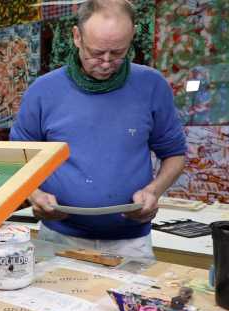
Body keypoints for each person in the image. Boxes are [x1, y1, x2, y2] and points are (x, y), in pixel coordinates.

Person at [10, 0, 186, 259]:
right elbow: (17, 158)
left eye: (117, 53)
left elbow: (175, 154)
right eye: (96, 52)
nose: (106, 62)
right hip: (59, 237)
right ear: (77, 37)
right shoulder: (43, 91)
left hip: (130, 241)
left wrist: (153, 191)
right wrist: (34, 195)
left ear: (132, 37)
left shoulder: (152, 86)